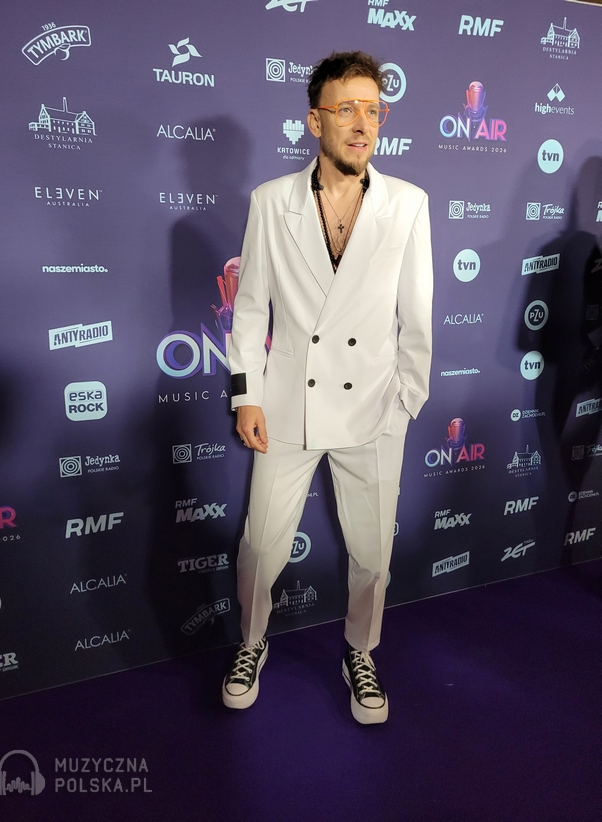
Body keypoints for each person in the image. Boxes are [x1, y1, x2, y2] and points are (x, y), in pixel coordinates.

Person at [223, 51, 433, 724]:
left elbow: (417, 316)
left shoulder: (408, 204)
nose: (362, 123)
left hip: (374, 407)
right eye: (346, 109)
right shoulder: (271, 201)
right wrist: (246, 394)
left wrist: (406, 401)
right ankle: (252, 642)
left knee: (373, 555)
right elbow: (250, 308)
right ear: (315, 120)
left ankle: (360, 650)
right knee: (261, 546)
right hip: (288, 404)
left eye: (373, 110)